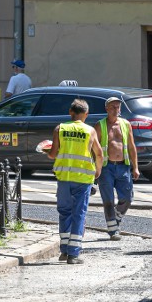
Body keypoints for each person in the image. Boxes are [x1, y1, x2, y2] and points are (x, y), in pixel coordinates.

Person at [46, 99, 103, 264]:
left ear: (71, 112)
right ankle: (74, 254)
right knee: (79, 214)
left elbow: (52, 154)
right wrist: (97, 171)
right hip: (83, 179)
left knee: (64, 212)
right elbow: (99, 154)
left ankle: (64, 251)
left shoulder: (60, 129)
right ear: (86, 114)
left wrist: (47, 150)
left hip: (64, 178)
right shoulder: (90, 131)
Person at [94, 96, 139, 240]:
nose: (116, 110)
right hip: (106, 168)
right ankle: (113, 230)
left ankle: (116, 218)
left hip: (123, 166)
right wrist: (95, 169)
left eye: (118, 107)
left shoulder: (125, 124)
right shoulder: (100, 125)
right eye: (113, 107)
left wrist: (135, 167)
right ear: (106, 109)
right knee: (108, 200)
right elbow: (93, 149)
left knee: (127, 198)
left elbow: (131, 147)